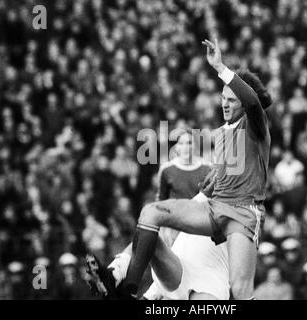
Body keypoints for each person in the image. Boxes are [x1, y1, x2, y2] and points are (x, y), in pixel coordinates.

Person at [89, 38, 272, 300]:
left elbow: (254, 103)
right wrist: (214, 179)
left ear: (242, 103)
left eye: (232, 99)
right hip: (214, 209)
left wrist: (220, 67)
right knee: (152, 213)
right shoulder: (221, 135)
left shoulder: (256, 127)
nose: (225, 104)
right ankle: (124, 287)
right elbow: (220, 177)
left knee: (241, 291)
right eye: (222, 98)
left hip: (242, 212)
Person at [86, 130, 230, 300]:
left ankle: (125, 285)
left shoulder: (236, 210)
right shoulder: (198, 198)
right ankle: (115, 274)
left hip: (209, 280)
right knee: (149, 232)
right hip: (179, 269)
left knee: (152, 226)